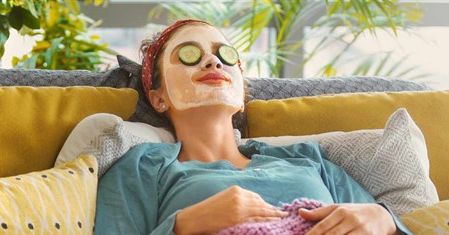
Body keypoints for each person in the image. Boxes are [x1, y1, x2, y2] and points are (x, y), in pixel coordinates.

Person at [93, 19, 411, 235]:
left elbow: (372, 220)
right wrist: (185, 223)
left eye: (224, 55)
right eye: (189, 55)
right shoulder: (143, 166)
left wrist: (383, 218)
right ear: (158, 98)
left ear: (241, 96)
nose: (213, 62)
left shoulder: (308, 159)